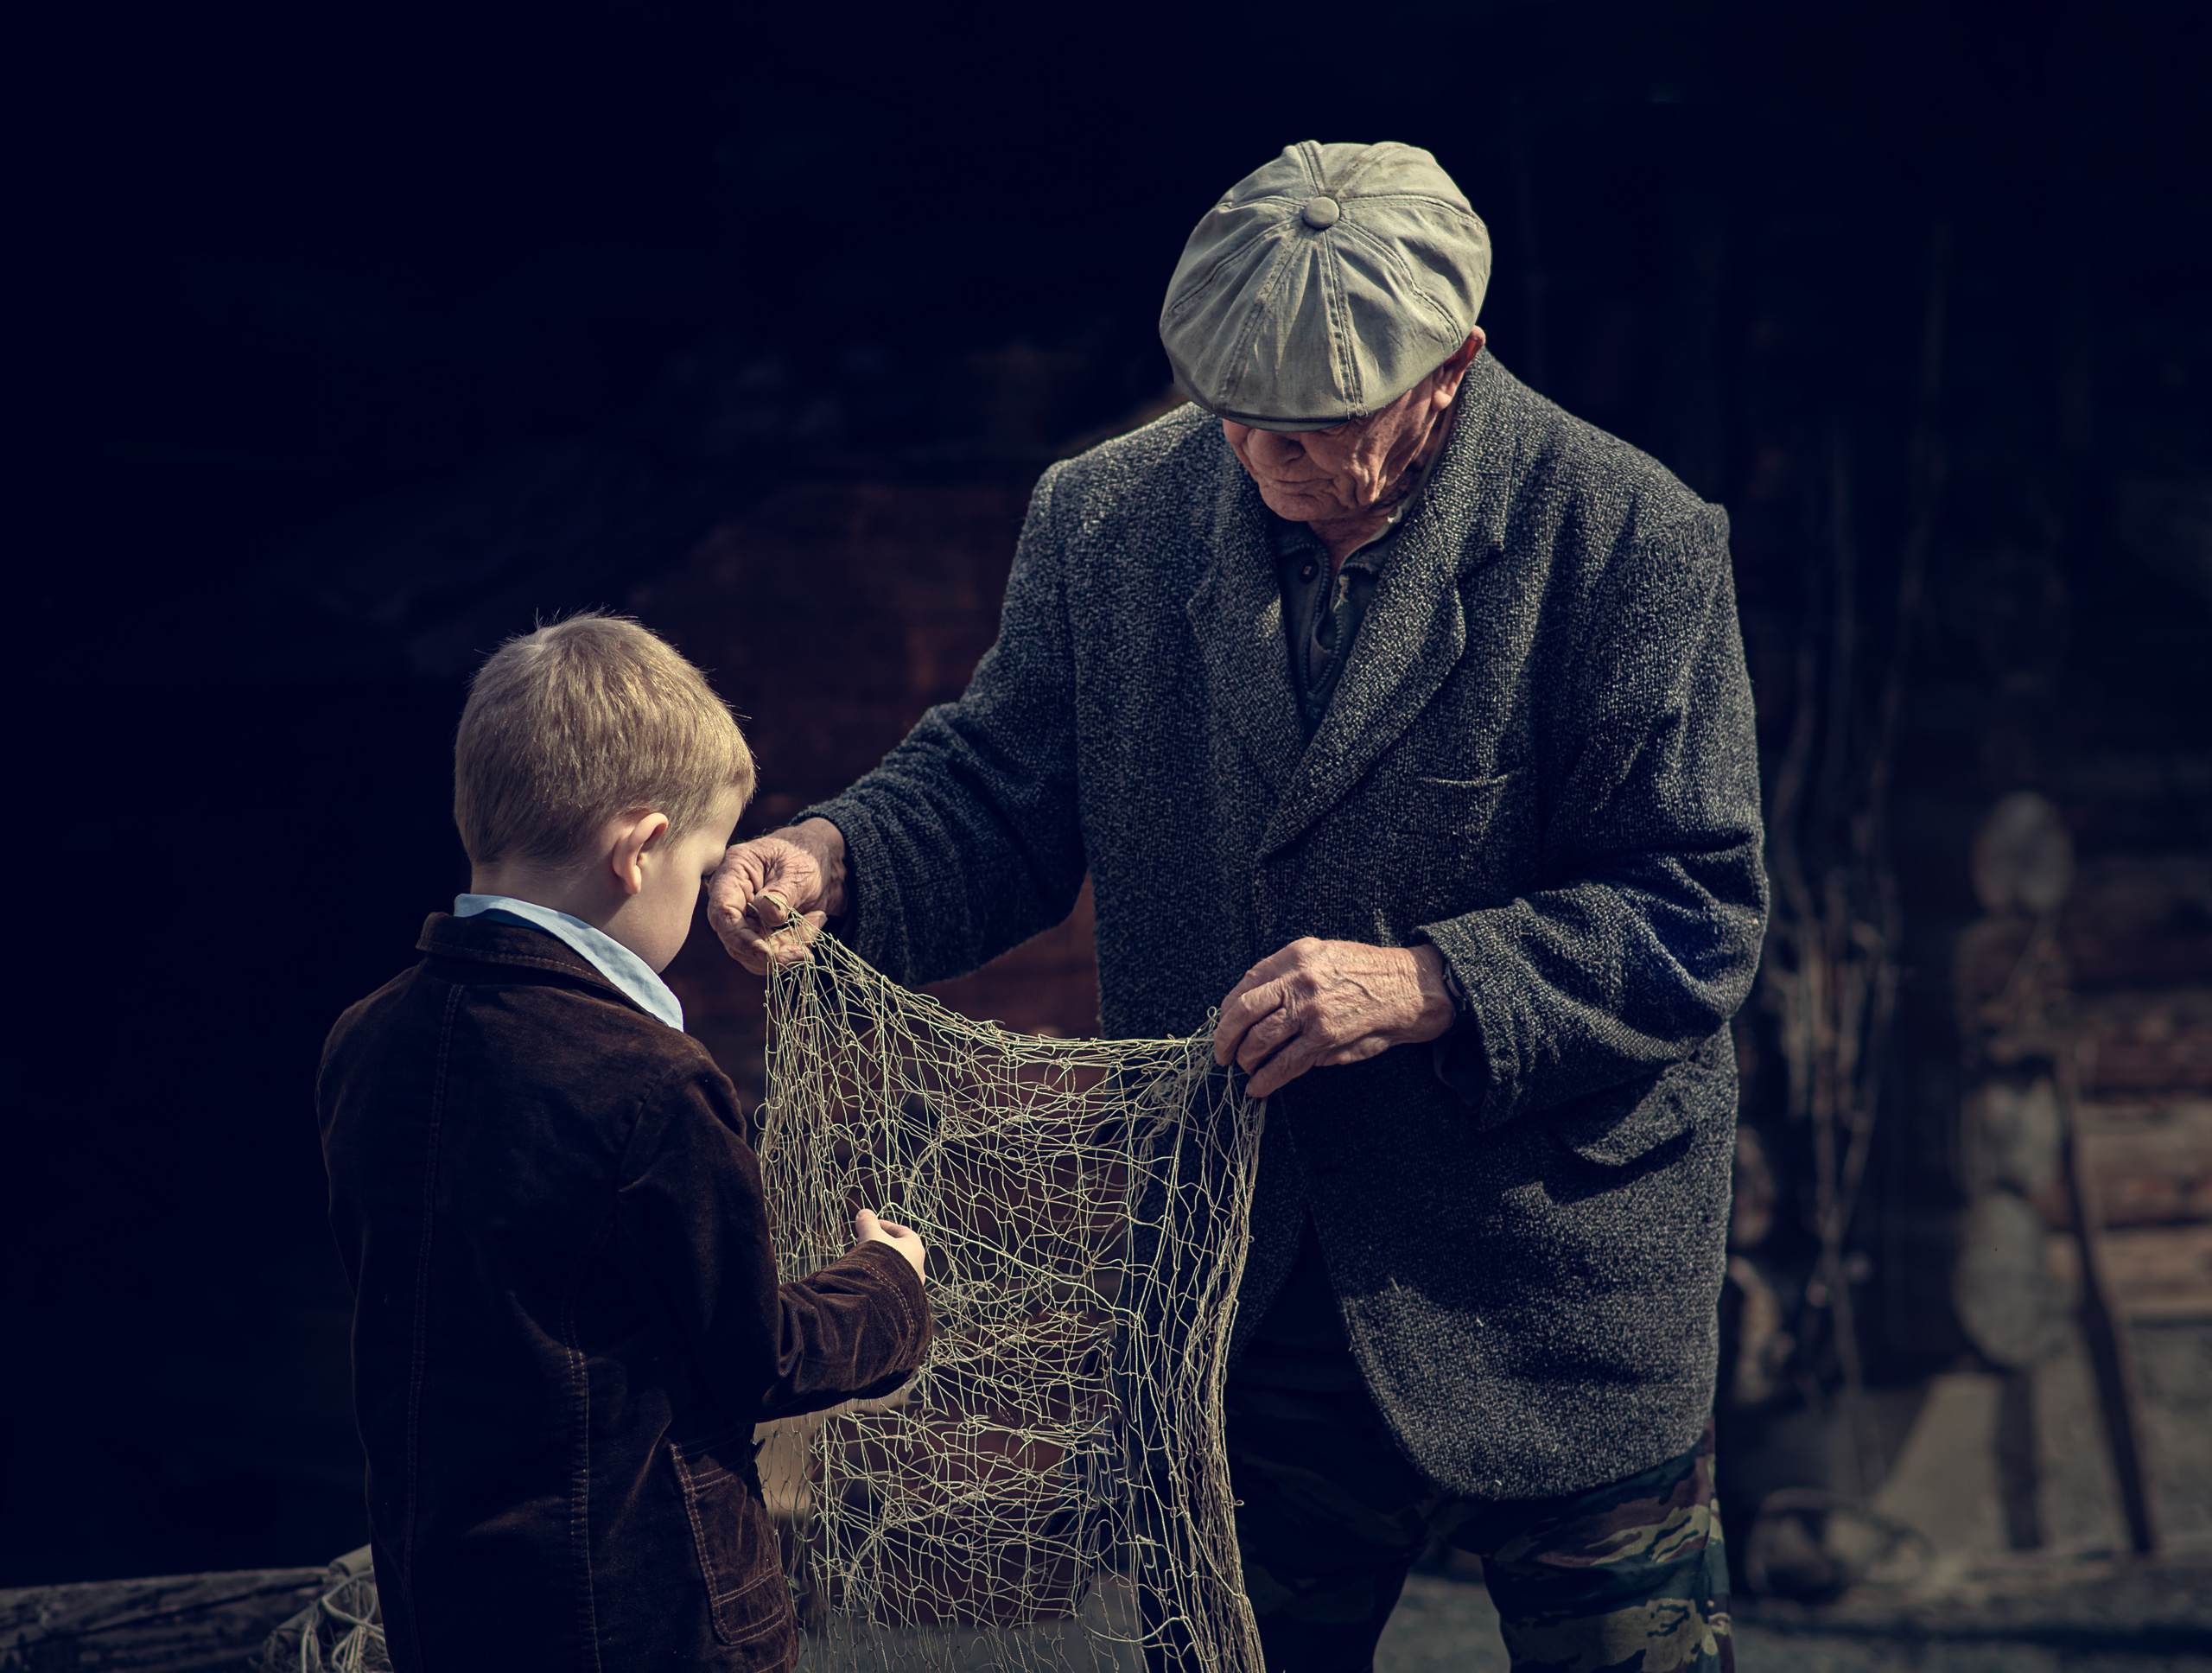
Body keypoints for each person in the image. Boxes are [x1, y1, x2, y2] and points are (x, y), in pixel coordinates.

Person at [709, 141, 1764, 1673]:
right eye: (1235, 411)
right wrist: (837, 854)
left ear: (1452, 369)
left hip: (1555, 1278)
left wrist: (1434, 983)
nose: (1265, 454)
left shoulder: (1626, 538)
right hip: (1242, 1278)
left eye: (1319, 424)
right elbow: (1001, 790)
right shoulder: (1106, 520)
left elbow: (1693, 909)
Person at [319, 614, 932, 1673]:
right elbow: (754, 1356)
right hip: (646, 1620)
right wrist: (887, 1286)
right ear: (640, 851)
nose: (701, 896)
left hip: (449, 1610)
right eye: (700, 867)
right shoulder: (653, 1081)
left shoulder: (364, 1040)